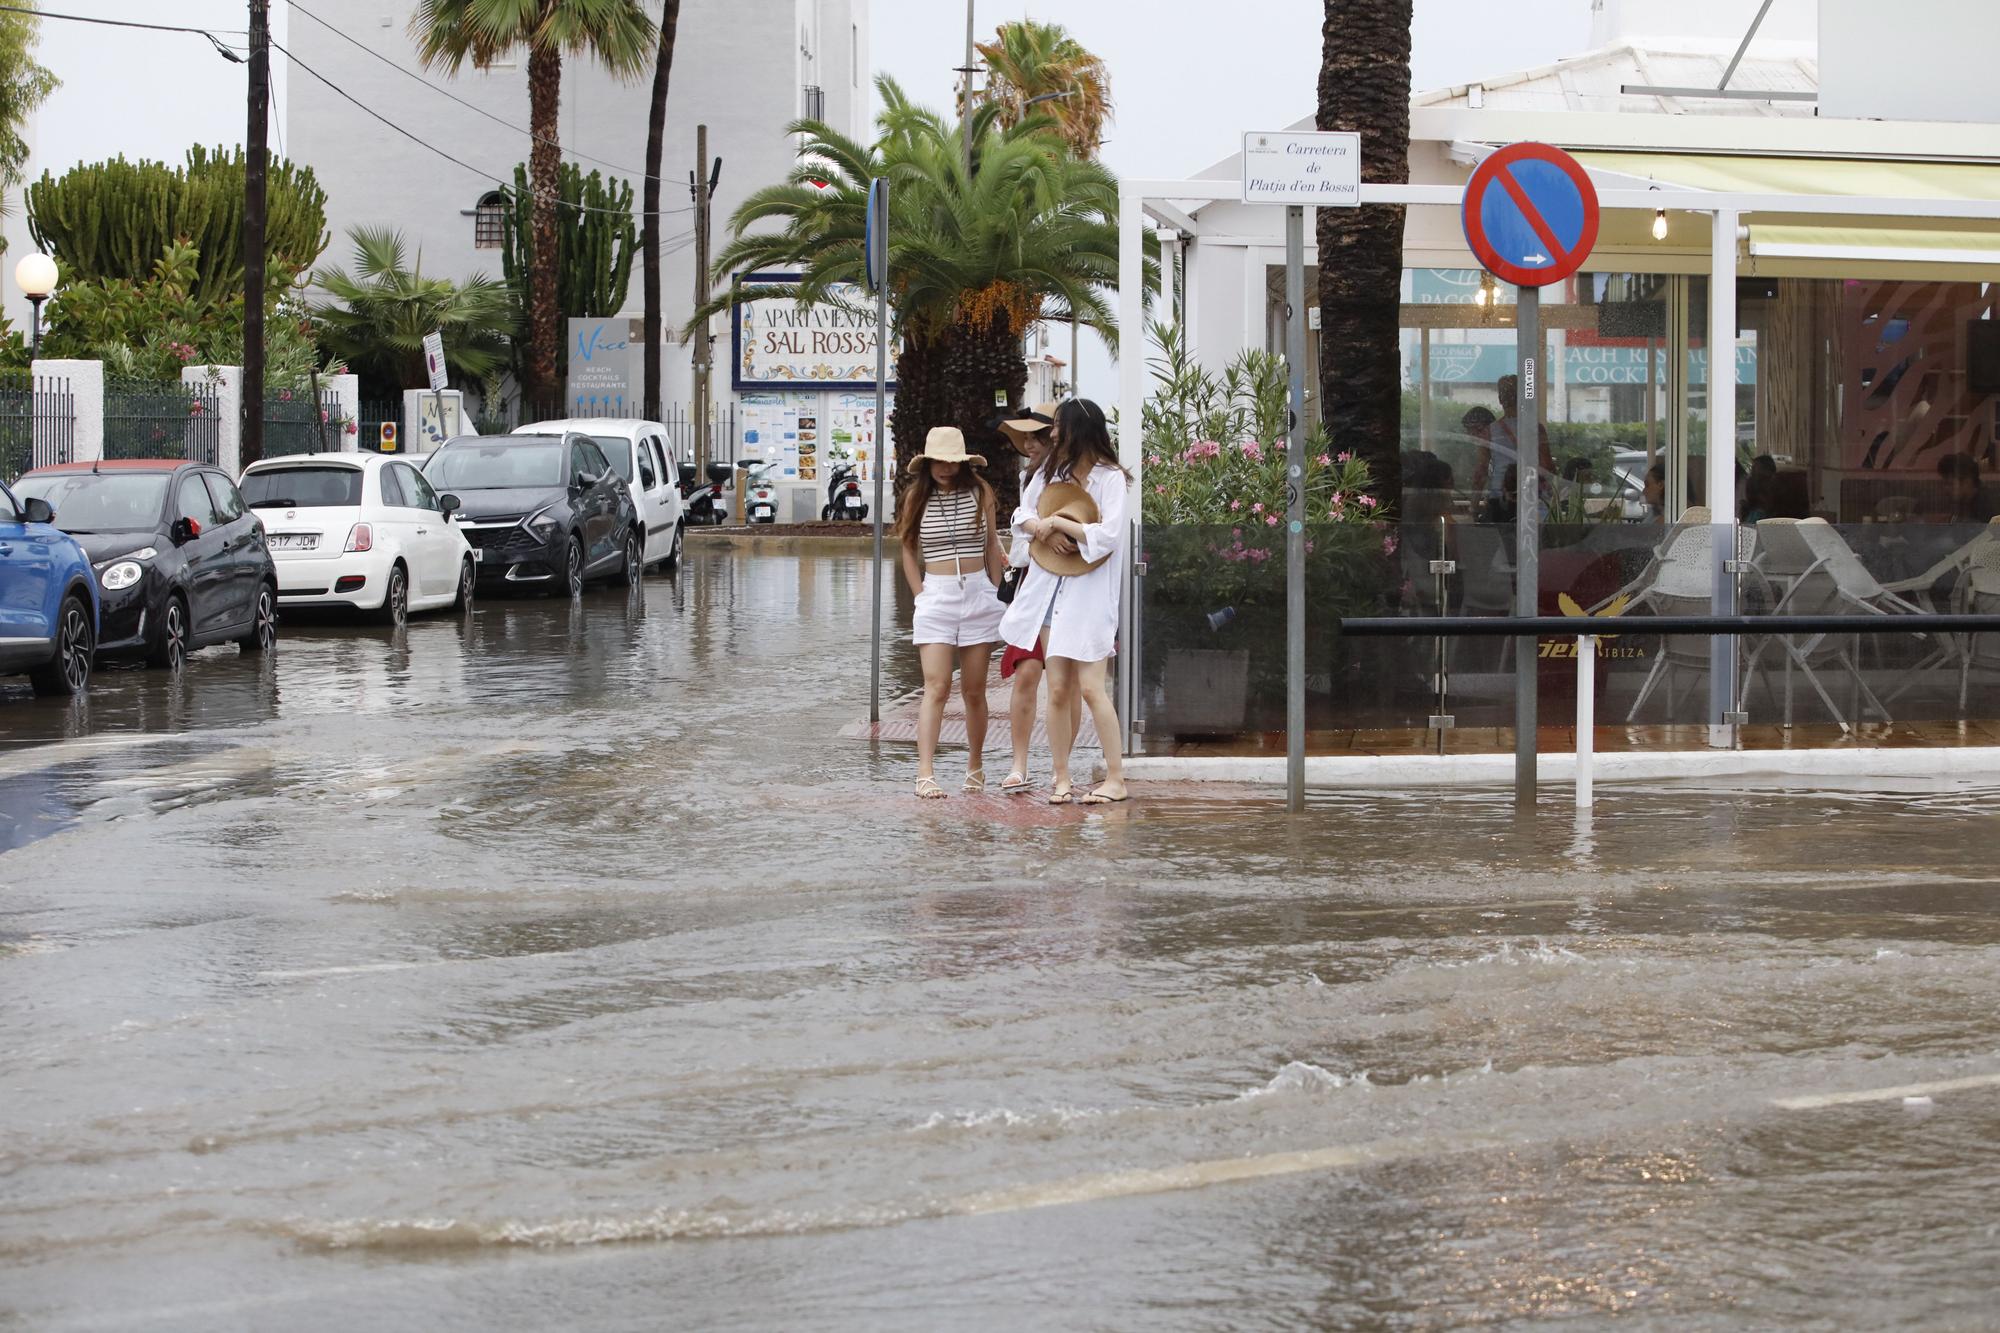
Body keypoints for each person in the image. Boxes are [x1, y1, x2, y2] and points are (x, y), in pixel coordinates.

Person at [999, 399, 1130, 806]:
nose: (1051, 434)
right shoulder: (1051, 473)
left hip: (1090, 595)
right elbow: (1021, 514)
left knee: (1091, 688)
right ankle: (1061, 778)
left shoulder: (1110, 478)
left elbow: (1108, 536)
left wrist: (1062, 523)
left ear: (1077, 429)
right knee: (1056, 689)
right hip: (1049, 591)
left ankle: (1115, 777)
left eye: (1057, 426)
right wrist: (1041, 527)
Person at [899, 426, 1007, 799]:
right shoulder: (916, 497)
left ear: (963, 463)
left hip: (978, 592)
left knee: (975, 691)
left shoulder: (981, 493)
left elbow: (993, 543)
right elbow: (908, 550)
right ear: (927, 463)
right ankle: (925, 773)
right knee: (937, 687)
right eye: (938, 461)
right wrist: (921, 595)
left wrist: (996, 591)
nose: (945, 468)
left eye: (952, 461)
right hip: (936, 596)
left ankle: (975, 767)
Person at [993, 404, 1076, 794]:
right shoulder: (1032, 476)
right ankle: (1019, 763)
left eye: (1035, 437)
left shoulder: (1077, 471)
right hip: (1031, 582)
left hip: (1071, 581)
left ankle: (1064, 764)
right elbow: (1020, 517)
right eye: (1024, 438)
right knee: (1026, 672)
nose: (1028, 444)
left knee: (1067, 682)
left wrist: (1051, 530)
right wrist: (1038, 529)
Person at [1470, 375, 1554, 505]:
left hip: (1500, 494)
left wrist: (1474, 505)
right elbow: (1547, 465)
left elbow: (1481, 471)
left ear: (1500, 399)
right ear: (1522, 398)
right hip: (1530, 494)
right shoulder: (1536, 428)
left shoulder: (1489, 431)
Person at [1937, 452, 1997, 523]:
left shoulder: (1988, 505)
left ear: (1967, 482)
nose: (1945, 489)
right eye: (1944, 484)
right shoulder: (1963, 502)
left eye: (1950, 484)